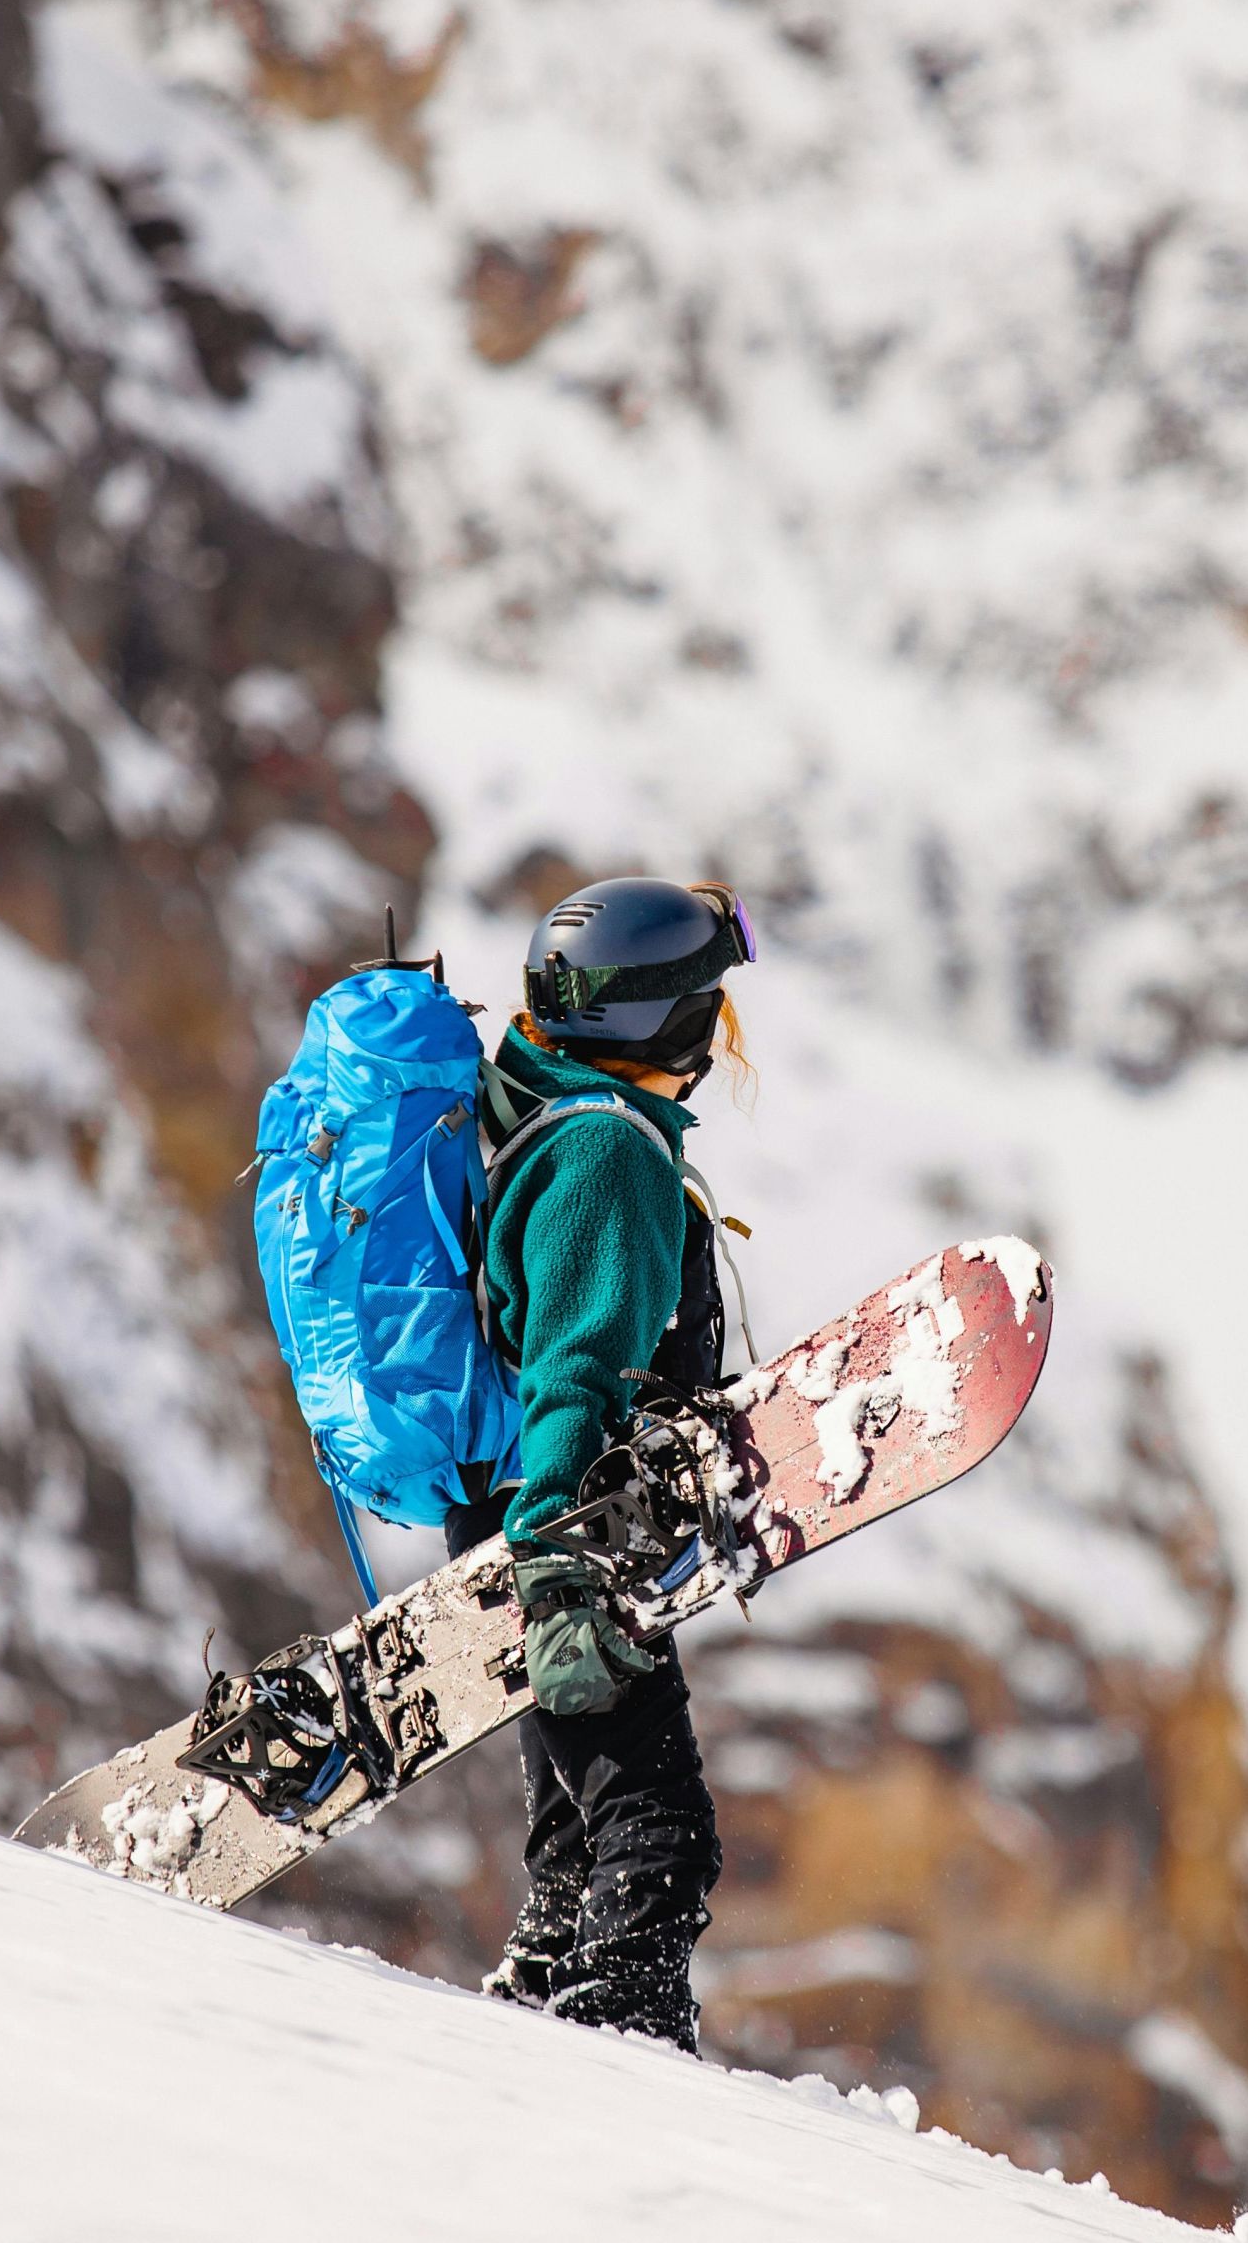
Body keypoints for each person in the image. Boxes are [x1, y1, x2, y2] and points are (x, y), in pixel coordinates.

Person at [441, 874, 757, 2052]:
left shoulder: (524, 1102)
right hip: (572, 1531)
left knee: (574, 1843)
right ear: (661, 1024)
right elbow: (574, 1370)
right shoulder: (609, 1156)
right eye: (706, 1005)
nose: (719, 1034)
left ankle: (541, 2006)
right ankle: (625, 2047)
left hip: (519, 1516)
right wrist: (558, 1578)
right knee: (658, 1837)